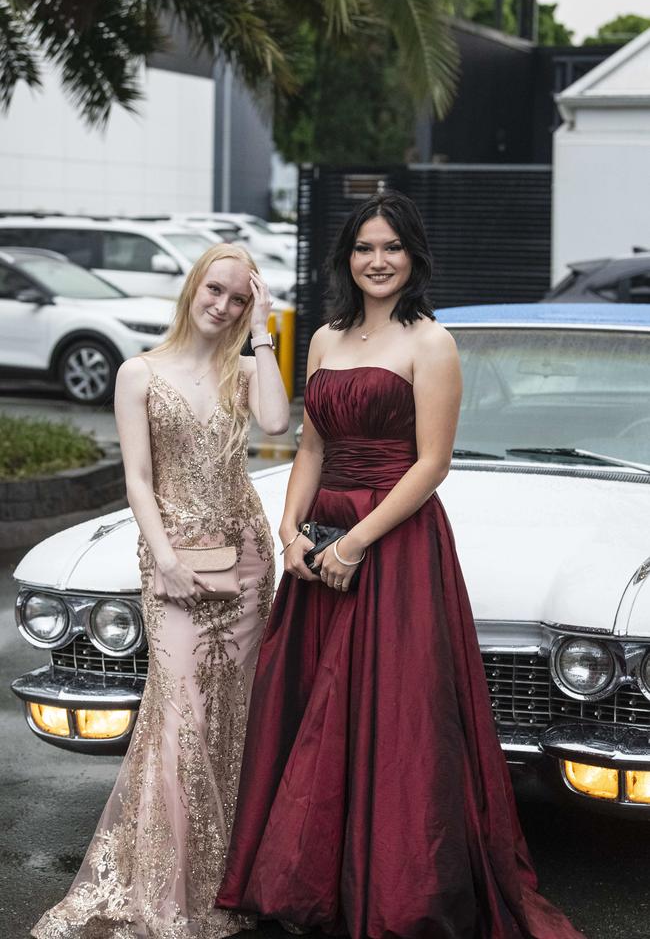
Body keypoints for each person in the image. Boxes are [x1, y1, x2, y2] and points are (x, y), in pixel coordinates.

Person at [215, 193, 584, 939]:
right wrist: (290, 530)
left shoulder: (431, 342)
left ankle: (393, 891)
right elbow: (312, 447)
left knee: (395, 717)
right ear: (345, 259)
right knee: (318, 714)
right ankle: (311, 881)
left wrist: (354, 545)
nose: (377, 260)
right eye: (363, 248)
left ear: (412, 256)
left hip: (395, 544)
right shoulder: (322, 337)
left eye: (391, 247)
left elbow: (432, 464)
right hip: (321, 541)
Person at [32, 243, 289, 939]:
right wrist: (166, 557)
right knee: (181, 722)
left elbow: (275, 423)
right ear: (192, 287)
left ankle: (225, 876)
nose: (224, 306)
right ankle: (170, 887)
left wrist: (264, 330)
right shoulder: (138, 373)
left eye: (239, 298)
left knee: (232, 722)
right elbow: (138, 480)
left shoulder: (242, 371)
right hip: (174, 562)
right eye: (217, 290)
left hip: (245, 564)